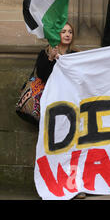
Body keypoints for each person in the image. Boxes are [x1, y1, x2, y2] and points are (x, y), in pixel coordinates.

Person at [35, 22, 84, 199]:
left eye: (70, 32)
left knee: (73, 146)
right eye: (63, 31)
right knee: (54, 146)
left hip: (72, 106)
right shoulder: (45, 53)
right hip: (52, 108)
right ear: (57, 34)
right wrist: (50, 59)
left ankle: (73, 185)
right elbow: (42, 75)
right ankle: (52, 184)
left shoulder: (76, 55)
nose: (67, 34)